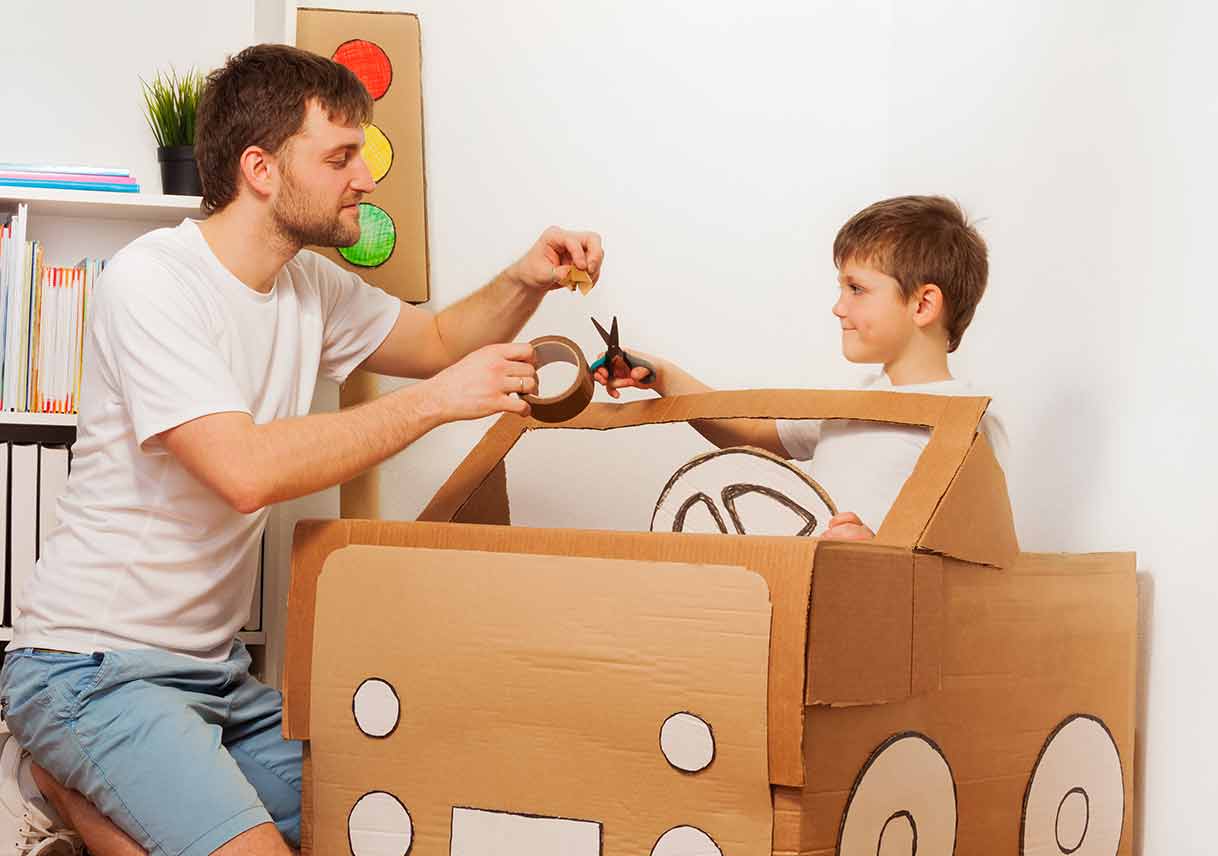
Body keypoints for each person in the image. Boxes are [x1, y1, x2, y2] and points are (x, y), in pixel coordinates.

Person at [0, 43, 603, 856]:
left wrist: (527, 277)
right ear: (261, 168)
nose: (365, 176)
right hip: (89, 665)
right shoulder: (154, 281)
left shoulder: (310, 288)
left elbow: (439, 338)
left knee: (381, 820)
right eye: (340, 156)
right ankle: (51, 765)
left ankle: (62, 783)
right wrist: (435, 404)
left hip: (211, 679)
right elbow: (243, 471)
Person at [595, 195, 1008, 539]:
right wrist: (663, 376)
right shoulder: (852, 405)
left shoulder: (965, 418)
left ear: (922, 305)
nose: (838, 307)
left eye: (857, 289)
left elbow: (975, 551)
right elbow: (753, 432)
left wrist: (883, 550)